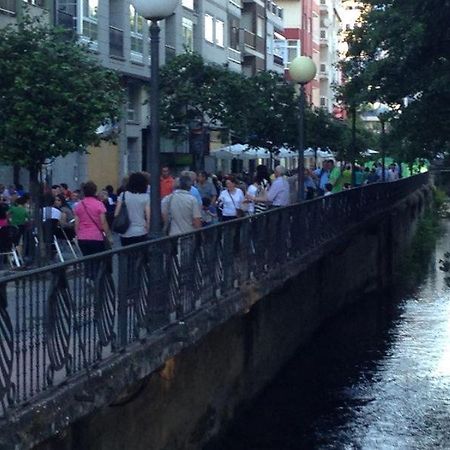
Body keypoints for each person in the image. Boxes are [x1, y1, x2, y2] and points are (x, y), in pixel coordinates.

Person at [74, 181, 111, 257]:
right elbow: (103, 222)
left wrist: (77, 235)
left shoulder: (79, 205)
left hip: (82, 237)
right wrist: (108, 236)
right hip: (96, 237)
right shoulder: (99, 204)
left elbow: (76, 223)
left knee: (87, 261)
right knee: (97, 261)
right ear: (95, 191)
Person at [114, 172, 150, 246]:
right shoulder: (146, 197)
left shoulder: (123, 195)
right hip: (141, 231)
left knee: (126, 254)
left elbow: (116, 214)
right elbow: (148, 216)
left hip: (125, 232)